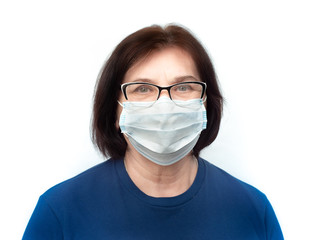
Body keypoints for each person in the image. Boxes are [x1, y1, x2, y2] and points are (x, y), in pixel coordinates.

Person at [23, 24, 284, 239]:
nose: (165, 106)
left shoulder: (252, 210)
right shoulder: (60, 212)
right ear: (115, 110)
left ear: (206, 103)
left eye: (183, 88)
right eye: (142, 89)